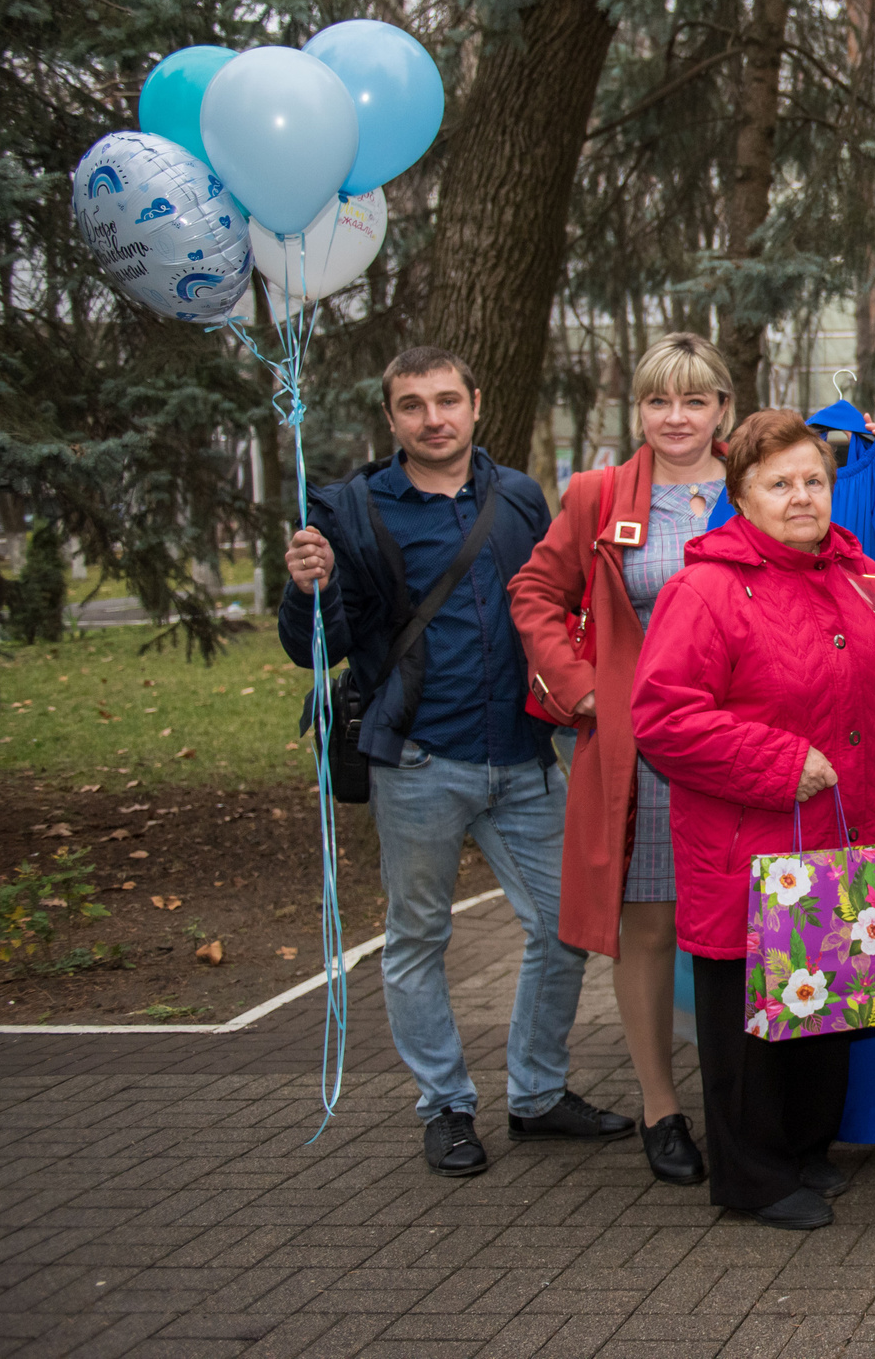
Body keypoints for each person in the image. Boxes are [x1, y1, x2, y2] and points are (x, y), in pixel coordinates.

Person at [281, 345, 634, 1178]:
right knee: (417, 937)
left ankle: (538, 1094)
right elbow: (309, 647)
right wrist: (309, 588)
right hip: (418, 760)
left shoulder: (517, 495)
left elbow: (553, 604)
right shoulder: (349, 509)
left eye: (447, 399)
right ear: (391, 415)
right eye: (413, 404)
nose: (433, 417)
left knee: (565, 925)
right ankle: (444, 1103)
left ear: (476, 403)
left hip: (523, 756)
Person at [630, 409, 875, 1231]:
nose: (801, 497)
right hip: (751, 845)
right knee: (749, 1026)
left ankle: (801, 1149)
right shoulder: (704, 588)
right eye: (779, 483)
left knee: (819, 1012)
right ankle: (749, 1176)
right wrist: (781, 763)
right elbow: (664, 719)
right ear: (741, 496)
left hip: (843, 833)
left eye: (814, 481)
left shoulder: (854, 574)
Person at [508, 332, 733, 1189]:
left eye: (694, 399)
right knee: (650, 925)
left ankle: (747, 1099)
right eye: (658, 401)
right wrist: (583, 689)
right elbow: (533, 592)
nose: (676, 417)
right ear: (638, 410)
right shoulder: (598, 496)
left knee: (750, 923)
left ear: (722, 408)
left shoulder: (758, 484)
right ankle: (660, 1108)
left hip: (741, 747)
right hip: (643, 754)